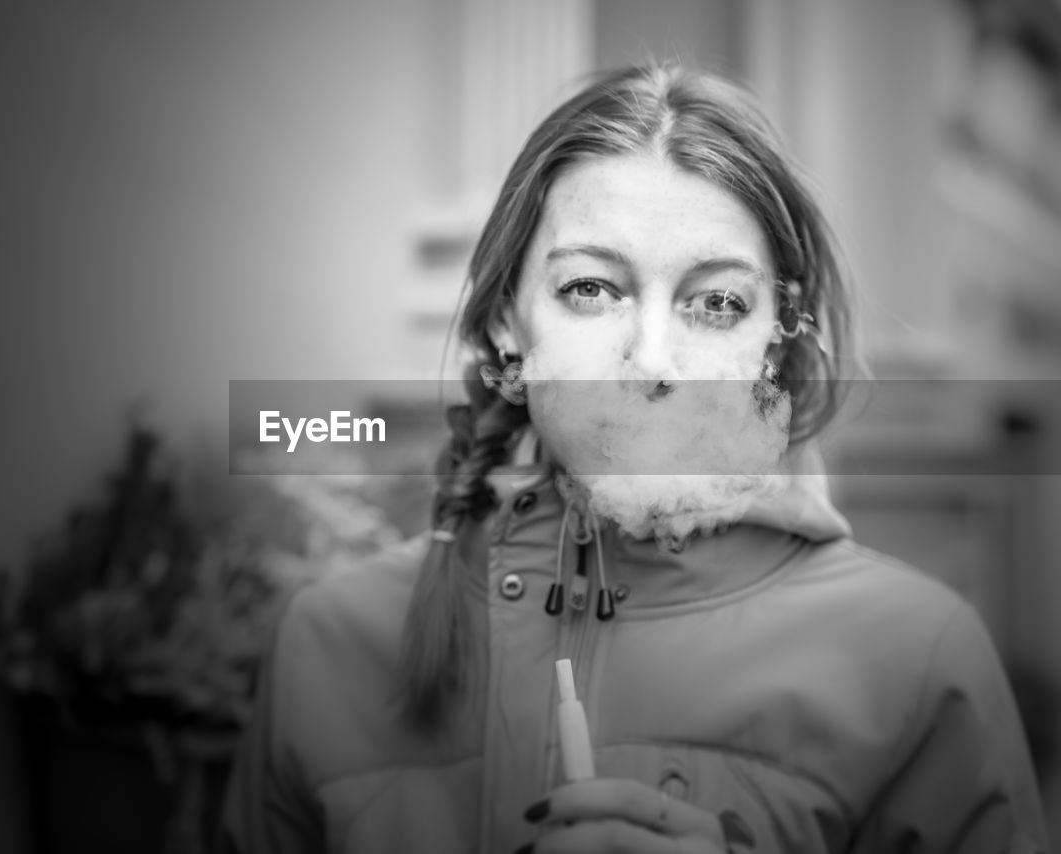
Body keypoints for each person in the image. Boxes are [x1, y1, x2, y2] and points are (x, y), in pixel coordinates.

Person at [219, 62, 1049, 853]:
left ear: (775, 338)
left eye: (718, 302)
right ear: (510, 325)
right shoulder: (326, 646)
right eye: (591, 288)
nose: (653, 357)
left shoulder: (917, 658)